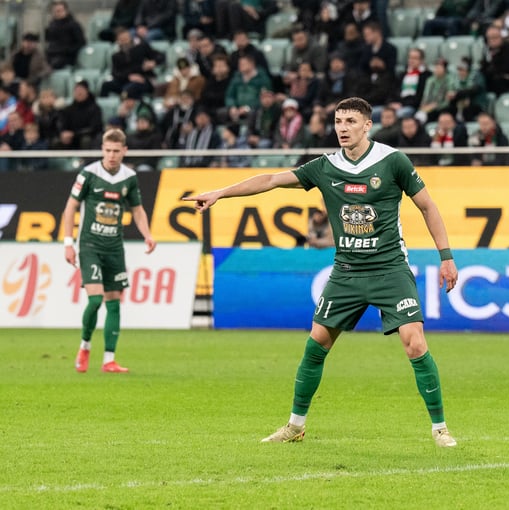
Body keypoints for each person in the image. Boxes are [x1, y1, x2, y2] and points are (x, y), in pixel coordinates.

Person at [183, 97, 459, 447]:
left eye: (350, 121)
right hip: (346, 271)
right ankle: (295, 426)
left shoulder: (393, 161)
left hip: (389, 268)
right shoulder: (325, 166)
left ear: (367, 125)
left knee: (414, 342)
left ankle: (440, 429)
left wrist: (446, 257)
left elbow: (428, 206)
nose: (342, 128)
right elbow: (271, 179)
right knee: (316, 345)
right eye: (338, 121)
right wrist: (221, 193)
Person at [63, 128, 156, 374]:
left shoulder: (129, 177)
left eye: (116, 151)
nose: (112, 155)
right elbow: (70, 207)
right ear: (102, 150)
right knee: (95, 300)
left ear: (125, 150)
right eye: (108, 151)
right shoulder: (89, 174)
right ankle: (85, 346)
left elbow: (137, 210)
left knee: (114, 304)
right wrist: (68, 243)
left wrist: (147, 234)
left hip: (114, 247)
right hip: (90, 245)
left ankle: (109, 360)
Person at [44, 0, 86, 69]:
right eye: (55, 11)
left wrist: (67, 50)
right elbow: (47, 37)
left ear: (66, 11)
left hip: (66, 57)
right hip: (52, 55)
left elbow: (81, 42)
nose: (57, 13)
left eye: (59, 11)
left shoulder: (73, 25)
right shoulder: (52, 25)